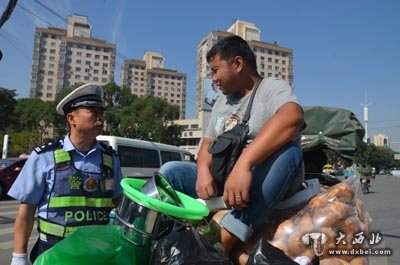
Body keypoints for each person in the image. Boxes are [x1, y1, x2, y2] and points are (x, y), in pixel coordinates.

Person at [159, 35, 304, 264]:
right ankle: (166, 239)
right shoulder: (221, 103)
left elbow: (292, 117)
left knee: (290, 153)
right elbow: (208, 142)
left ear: (238, 64)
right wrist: (204, 170)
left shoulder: (272, 88)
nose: (214, 79)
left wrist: (245, 164)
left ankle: (221, 241)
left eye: (216, 70)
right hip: (225, 178)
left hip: (264, 178)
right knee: (170, 172)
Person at [8, 83, 123, 265]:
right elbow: (26, 211)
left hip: (97, 252)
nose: (100, 119)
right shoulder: (44, 157)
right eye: (93, 112)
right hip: (54, 251)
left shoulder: (110, 159)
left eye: (102, 113)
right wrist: (19, 256)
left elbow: (120, 202)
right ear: (72, 118)